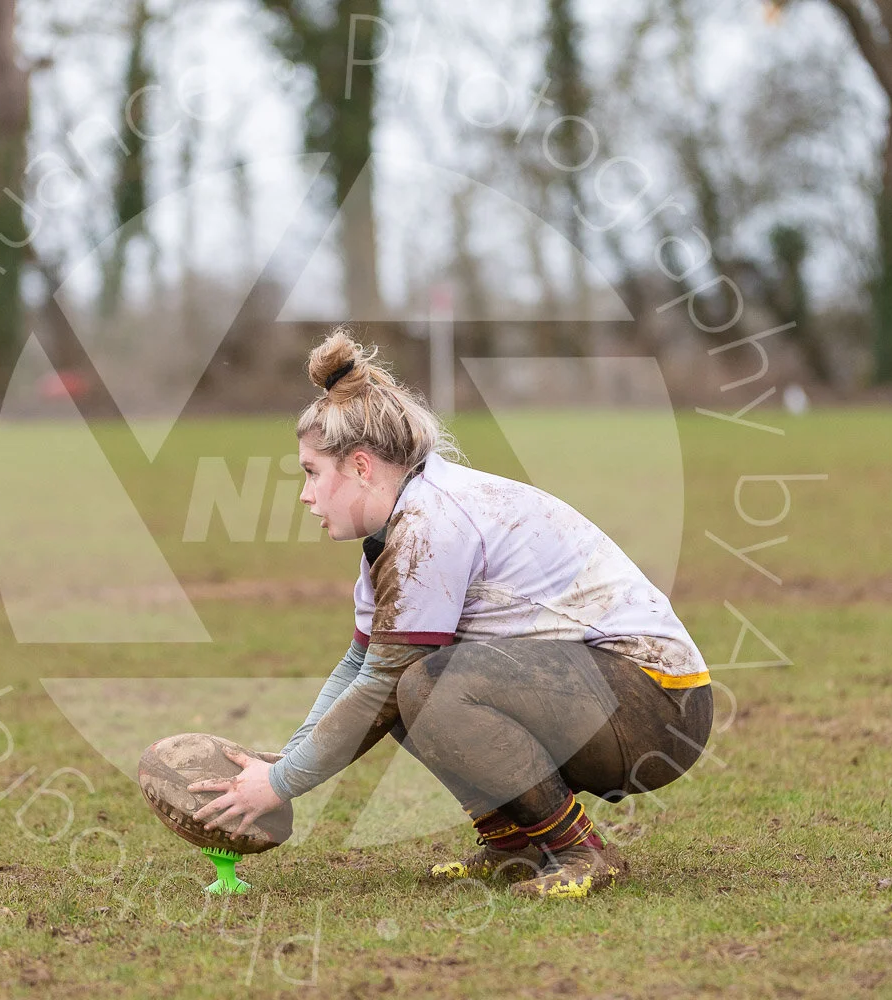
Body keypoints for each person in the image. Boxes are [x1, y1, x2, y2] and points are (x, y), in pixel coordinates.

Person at [189, 327, 714, 899]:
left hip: (659, 708)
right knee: (412, 682)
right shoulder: (395, 529)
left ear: (362, 467)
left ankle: (579, 851)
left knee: (421, 684)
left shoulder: (429, 524)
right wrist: (288, 758)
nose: (304, 494)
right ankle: (513, 844)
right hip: (609, 694)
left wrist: (282, 783)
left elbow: (380, 685)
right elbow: (359, 667)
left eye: (312, 472)